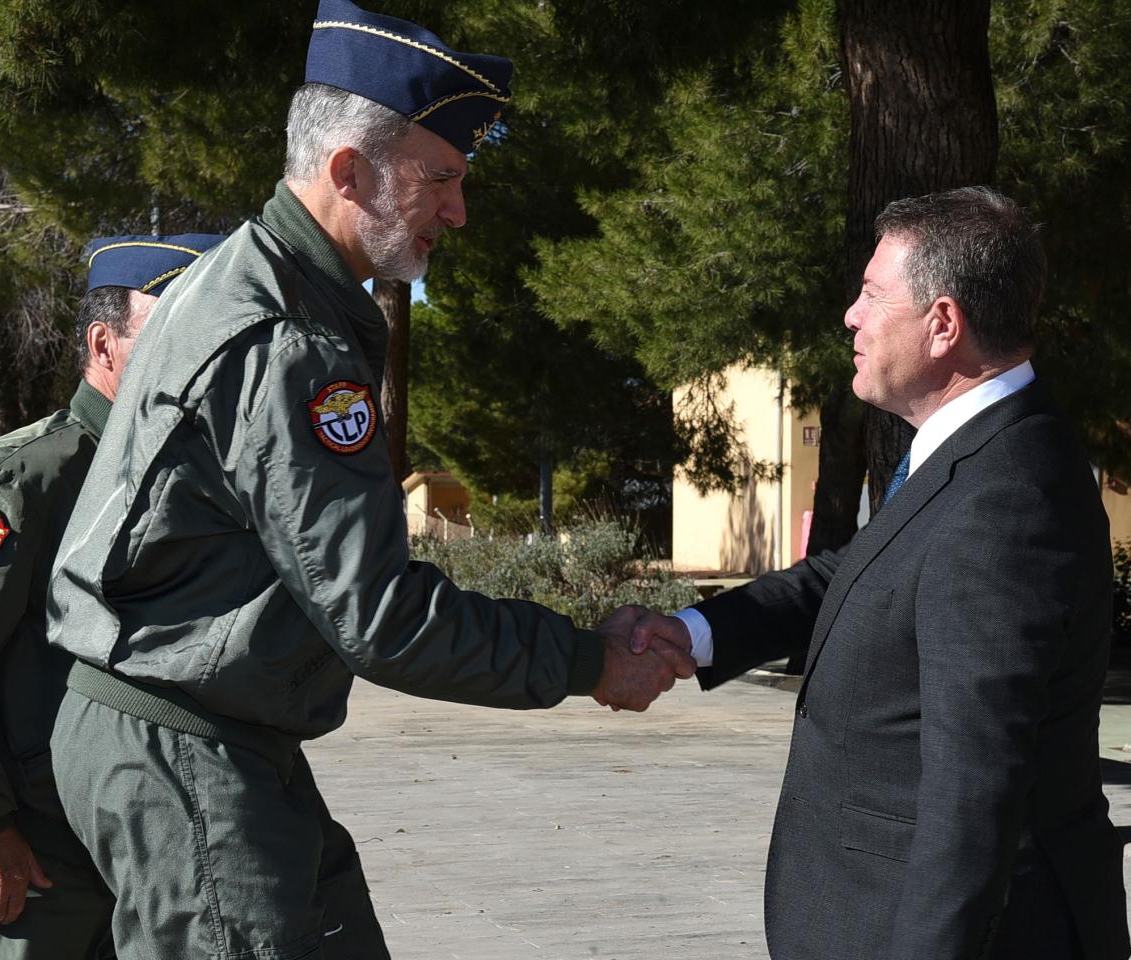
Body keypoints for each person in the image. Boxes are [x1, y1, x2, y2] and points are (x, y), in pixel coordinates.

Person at [45, 4, 690, 958]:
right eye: (440, 179)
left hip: (208, 733)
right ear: (348, 171)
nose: (460, 211)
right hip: (188, 745)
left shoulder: (266, 289)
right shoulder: (287, 339)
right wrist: (586, 661)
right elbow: (380, 617)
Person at [631, 188, 1130, 959]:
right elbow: (859, 572)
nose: (851, 317)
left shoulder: (1010, 497)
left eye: (871, 294)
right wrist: (695, 633)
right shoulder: (970, 451)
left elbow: (977, 785)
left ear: (942, 324)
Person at [0, 233, 223, 959]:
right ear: (104, 343)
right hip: (36, 864)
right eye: (173, 330)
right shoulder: (27, 481)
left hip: (164, 853)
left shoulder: (202, 481)